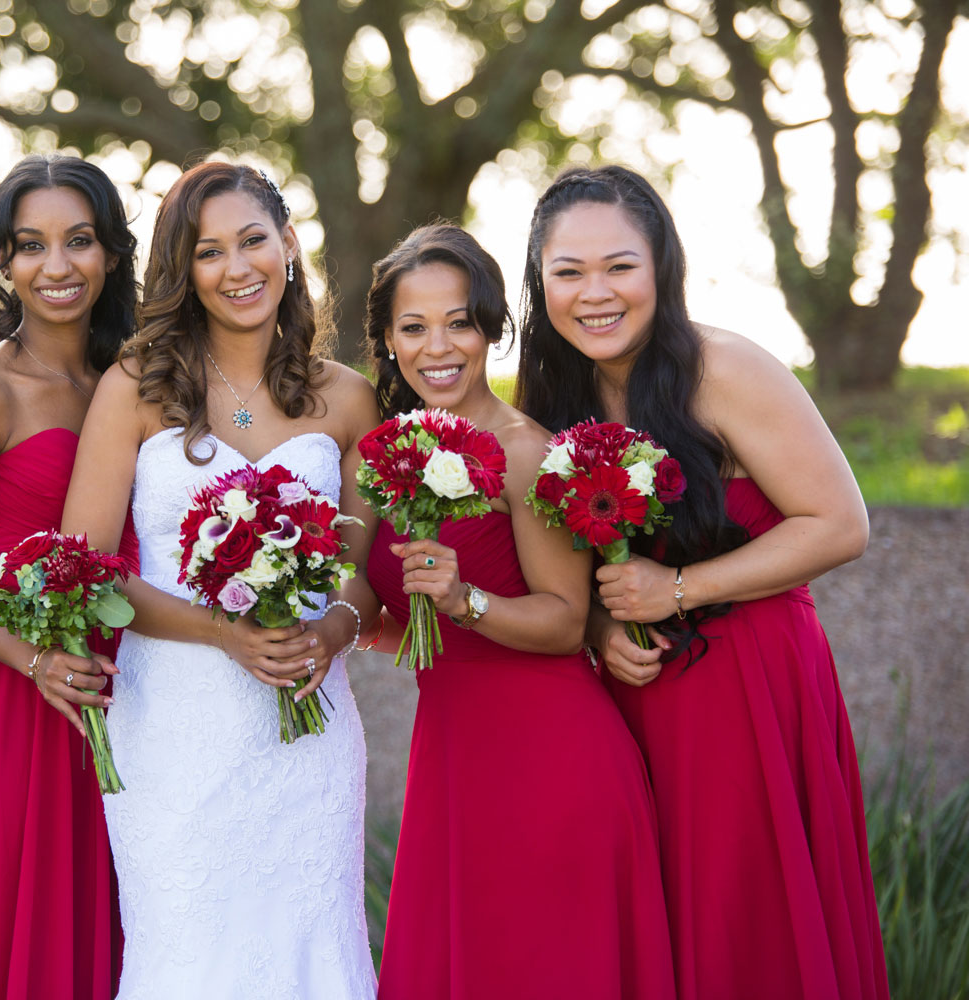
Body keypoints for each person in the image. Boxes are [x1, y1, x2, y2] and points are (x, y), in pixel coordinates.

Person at [516, 164, 887, 1000]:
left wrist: (676, 592)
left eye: (620, 266)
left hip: (749, 682)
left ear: (662, 268)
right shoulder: (552, 393)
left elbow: (839, 524)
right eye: (567, 272)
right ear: (540, 284)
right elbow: (569, 566)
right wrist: (600, 630)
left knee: (745, 921)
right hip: (634, 697)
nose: (594, 293)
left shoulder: (722, 367)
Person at [59, 161, 378, 999]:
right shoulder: (135, 387)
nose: (238, 268)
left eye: (253, 241)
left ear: (288, 246)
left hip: (308, 734)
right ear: (184, 271)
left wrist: (333, 630)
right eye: (210, 252)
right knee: (185, 953)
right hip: (172, 725)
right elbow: (85, 574)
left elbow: (364, 578)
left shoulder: (346, 400)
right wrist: (221, 633)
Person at [335, 223, 674, 1000]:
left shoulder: (527, 451)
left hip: (553, 761)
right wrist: (317, 624)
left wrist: (464, 600)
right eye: (413, 328)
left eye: (459, 321)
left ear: (492, 327)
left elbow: (562, 623)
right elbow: (362, 590)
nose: (438, 346)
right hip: (453, 759)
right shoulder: (373, 459)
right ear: (386, 341)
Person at [0, 154, 140, 1000]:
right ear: (3, 265)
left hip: (130, 691)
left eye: (78, 241)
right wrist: (39, 663)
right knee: (19, 944)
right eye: (31, 245)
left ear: (111, 254)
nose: (57, 267)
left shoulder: (136, 377)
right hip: (20, 696)